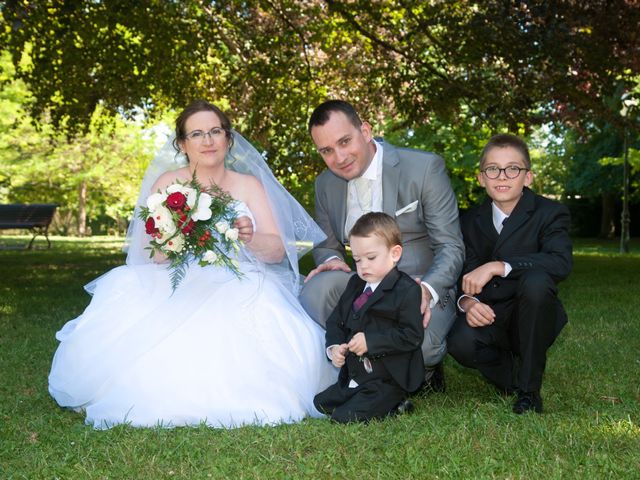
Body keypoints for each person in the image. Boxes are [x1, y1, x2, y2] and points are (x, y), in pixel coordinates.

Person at [48, 100, 338, 429]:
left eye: (215, 131)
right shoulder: (167, 184)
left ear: (228, 139)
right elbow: (150, 255)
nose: (208, 140)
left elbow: (275, 251)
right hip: (175, 279)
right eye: (197, 133)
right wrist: (177, 237)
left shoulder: (248, 186)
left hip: (241, 279)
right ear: (183, 144)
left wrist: (248, 237)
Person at [299, 100, 464, 392]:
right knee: (316, 289)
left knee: (422, 348)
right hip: (364, 285)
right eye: (326, 150)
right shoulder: (325, 184)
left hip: (418, 283)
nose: (339, 157)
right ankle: (358, 358)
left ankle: (420, 370)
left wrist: (424, 290)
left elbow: (451, 247)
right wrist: (332, 261)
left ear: (365, 130)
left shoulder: (424, 168)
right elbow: (326, 245)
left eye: (345, 141)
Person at [447, 134, 572, 414]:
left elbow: (560, 262)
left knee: (537, 280)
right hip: (492, 313)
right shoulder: (468, 221)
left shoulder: (550, 213)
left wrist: (498, 265)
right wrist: (469, 303)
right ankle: (514, 376)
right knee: (460, 342)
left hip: (532, 313)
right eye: (492, 169)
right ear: (481, 178)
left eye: (513, 168)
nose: (502, 176)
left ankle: (529, 393)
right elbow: (461, 272)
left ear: (528, 177)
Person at [313, 212, 424, 423]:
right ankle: (363, 395)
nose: (363, 266)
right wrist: (334, 347)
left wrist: (371, 341)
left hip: (387, 376)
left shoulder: (406, 290)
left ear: (395, 253)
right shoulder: (356, 284)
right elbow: (336, 320)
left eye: (371, 258)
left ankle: (393, 402)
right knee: (320, 403)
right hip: (357, 372)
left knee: (343, 418)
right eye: (357, 259)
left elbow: (412, 336)